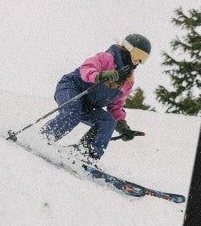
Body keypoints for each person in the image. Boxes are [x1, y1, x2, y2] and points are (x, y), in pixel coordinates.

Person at [39, 34, 152, 162]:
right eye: (138, 55)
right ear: (128, 48)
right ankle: (43, 138)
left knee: (108, 122)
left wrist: (122, 127)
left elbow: (115, 105)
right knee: (72, 113)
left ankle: (86, 155)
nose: (139, 61)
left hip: (88, 105)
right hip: (71, 89)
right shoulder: (106, 58)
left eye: (144, 58)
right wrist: (99, 75)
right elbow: (87, 68)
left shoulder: (128, 82)